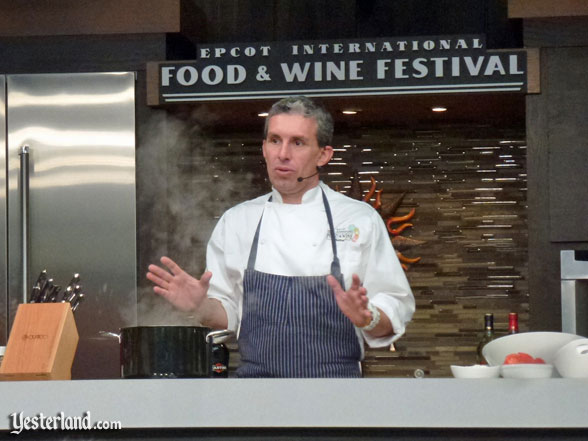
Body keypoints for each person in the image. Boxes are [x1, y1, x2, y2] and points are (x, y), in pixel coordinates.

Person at [147, 96, 415, 378]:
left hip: (338, 395)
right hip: (256, 395)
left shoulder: (359, 219)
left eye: (297, 142)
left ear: (323, 155)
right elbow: (229, 318)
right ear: (264, 148)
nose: (283, 153)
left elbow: (394, 306)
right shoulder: (238, 221)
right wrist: (200, 307)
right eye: (275, 140)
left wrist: (367, 317)